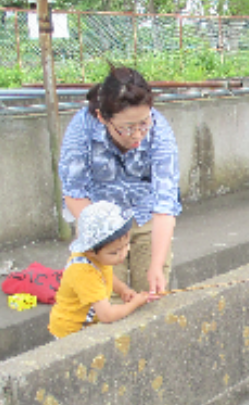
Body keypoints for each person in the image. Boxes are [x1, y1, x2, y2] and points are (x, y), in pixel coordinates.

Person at [59, 65, 181, 298]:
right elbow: (74, 192)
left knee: (152, 297)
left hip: (145, 219)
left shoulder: (160, 130)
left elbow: (166, 202)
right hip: (100, 223)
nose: (137, 135)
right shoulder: (81, 128)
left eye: (143, 124)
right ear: (102, 118)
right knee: (107, 299)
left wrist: (157, 265)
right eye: (127, 128)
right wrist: (104, 236)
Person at [48, 201, 150, 339]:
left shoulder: (100, 258)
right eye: (114, 252)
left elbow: (107, 275)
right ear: (90, 251)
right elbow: (106, 315)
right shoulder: (84, 272)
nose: (122, 255)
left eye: (126, 246)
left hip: (88, 322)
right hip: (71, 331)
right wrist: (135, 304)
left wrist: (122, 289)